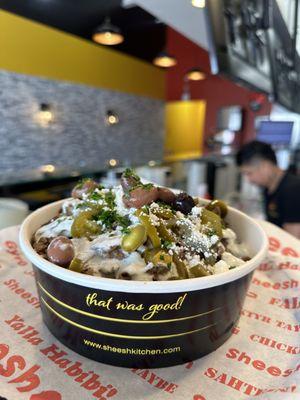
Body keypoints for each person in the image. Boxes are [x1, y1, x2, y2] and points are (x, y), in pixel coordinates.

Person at [236, 140, 300, 238]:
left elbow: (293, 239)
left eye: (249, 173)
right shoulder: (268, 187)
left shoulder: (292, 190)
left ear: (265, 166)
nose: (249, 180)